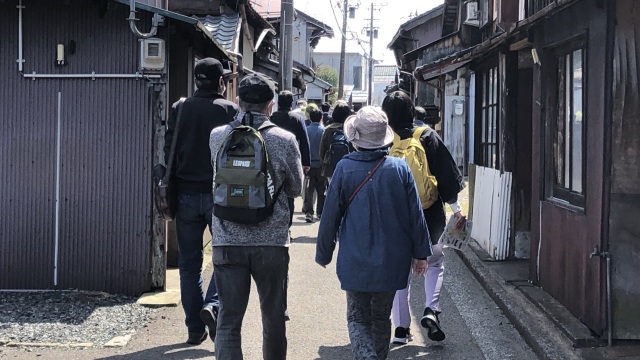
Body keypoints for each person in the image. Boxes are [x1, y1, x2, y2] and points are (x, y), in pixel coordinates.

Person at [316, 106, 432, 360]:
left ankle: (366, 356)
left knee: (357, 316)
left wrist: (324, 253)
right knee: (381, 317)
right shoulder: (399, 169)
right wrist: (421, 254)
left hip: (355, 259)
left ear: (355, 138)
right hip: (391, 260)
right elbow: (416, 216)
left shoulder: (344, 168)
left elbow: (329, 216)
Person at [209, 73, 303, 360]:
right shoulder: (285, 139)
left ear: (239, 102)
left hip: (227, 239)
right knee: (273, 318)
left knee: (228, 321)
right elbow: (296, 188)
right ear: (270, 105)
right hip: (271, 242)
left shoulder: (217, 136)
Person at [163, 57, 238, 345]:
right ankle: (213, 305)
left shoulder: (180, 108)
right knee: (225, 258)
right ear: (221, 81)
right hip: (220, 195)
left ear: (197, 80)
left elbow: (169, 147)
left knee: (189, 264)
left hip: (185, 195)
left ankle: (194, 328)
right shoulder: (230, 110)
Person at [382, 91, 465, 345]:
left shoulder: (384, 138)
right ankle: (430, 309)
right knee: (435, 262)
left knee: (400, 272)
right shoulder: (427, 135)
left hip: (396, 215)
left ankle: (400, 329)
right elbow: (446, 174)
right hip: (430, 213)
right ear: (412, 110)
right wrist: (456, 208)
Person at [270, 91, 311, 234]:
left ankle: (275, 226)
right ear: (291, 104)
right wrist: (306, 163)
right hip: (292, 159)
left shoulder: (271, 117)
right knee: (290, 194)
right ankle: (287, 227)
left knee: (272, 191)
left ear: (278, 103)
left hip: (272, 160)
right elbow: (305, 142)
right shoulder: (298, 119)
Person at [319, 100, 352, 180]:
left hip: (331, 167)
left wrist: (324, 164)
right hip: (349, 166)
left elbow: (322, 149)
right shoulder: (351, 129)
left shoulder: (328, 129)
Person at [303, 107, 326, 222]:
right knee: (321, 190)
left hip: (308, 165)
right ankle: (320, 212)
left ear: (310, 118)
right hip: (321, 166)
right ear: (321, 118)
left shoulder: (306, 130)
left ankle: (309, 212)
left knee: (309, 190)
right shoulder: (324, 130)